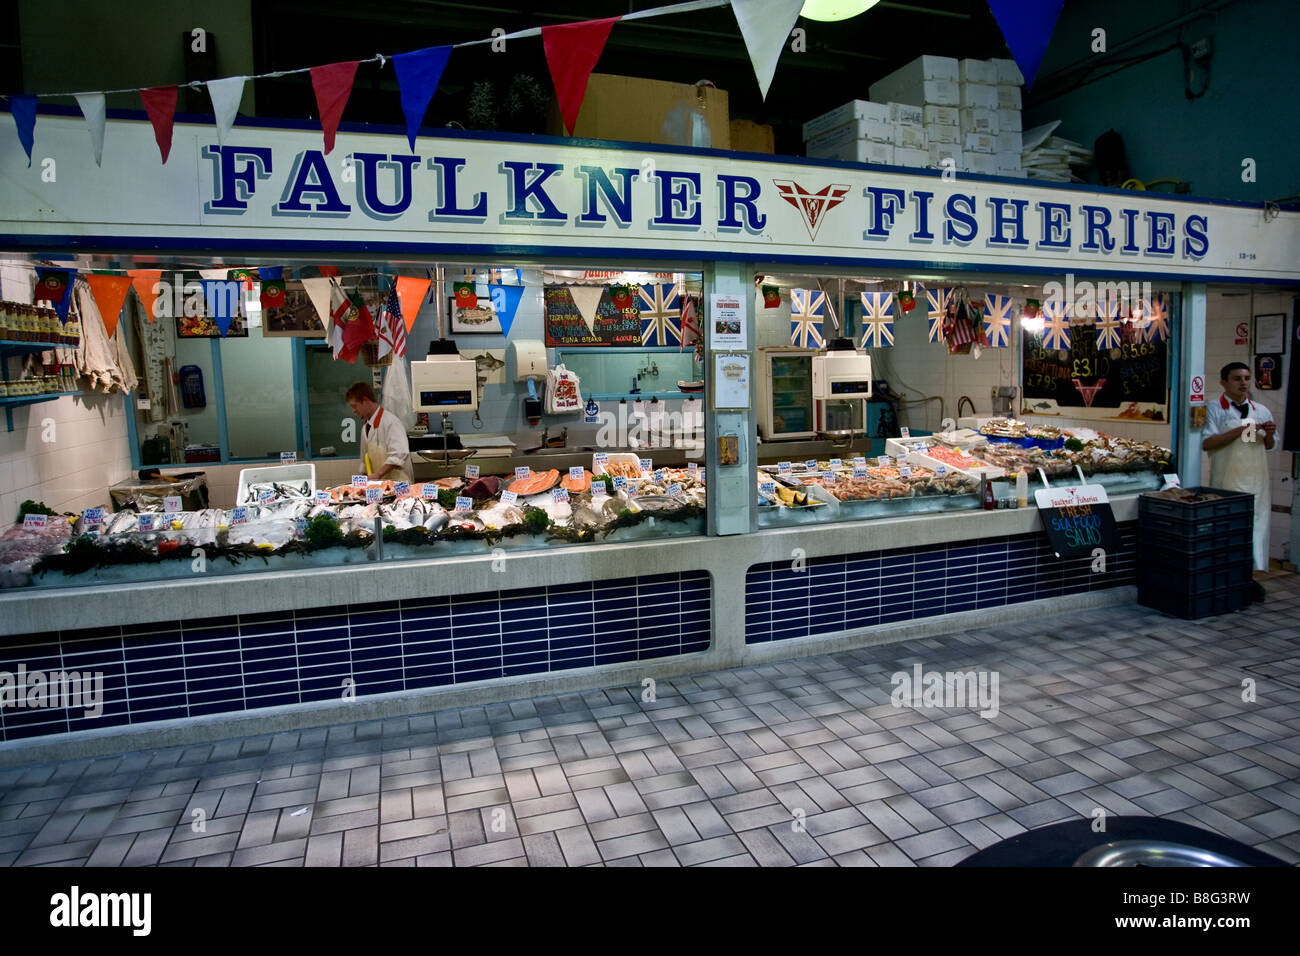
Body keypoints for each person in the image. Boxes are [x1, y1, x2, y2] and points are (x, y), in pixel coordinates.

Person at [1202, 362, 1275, 601]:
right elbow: (1207, 443)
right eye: (1236, 378)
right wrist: (1241, 429)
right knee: (1227, 525)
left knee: (1255, 526)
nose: (1243, 383)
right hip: (1226, 479)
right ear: (1223, 382)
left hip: (1255, 478)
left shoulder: (1261, 410)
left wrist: (1270, 433)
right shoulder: (1213, 409)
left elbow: (1268, 445)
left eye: (1246, 378)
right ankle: (1225, 577)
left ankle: (1248, 576)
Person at [345, 381, 413, 484]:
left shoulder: (391, 422)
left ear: (365, 400)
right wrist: (364, 484)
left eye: (355, 406)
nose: (354, 411)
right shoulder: (365, 428)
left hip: (399, 484)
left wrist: (378, 475)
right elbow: (364, 461)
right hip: (379, 487)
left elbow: (399, 454)